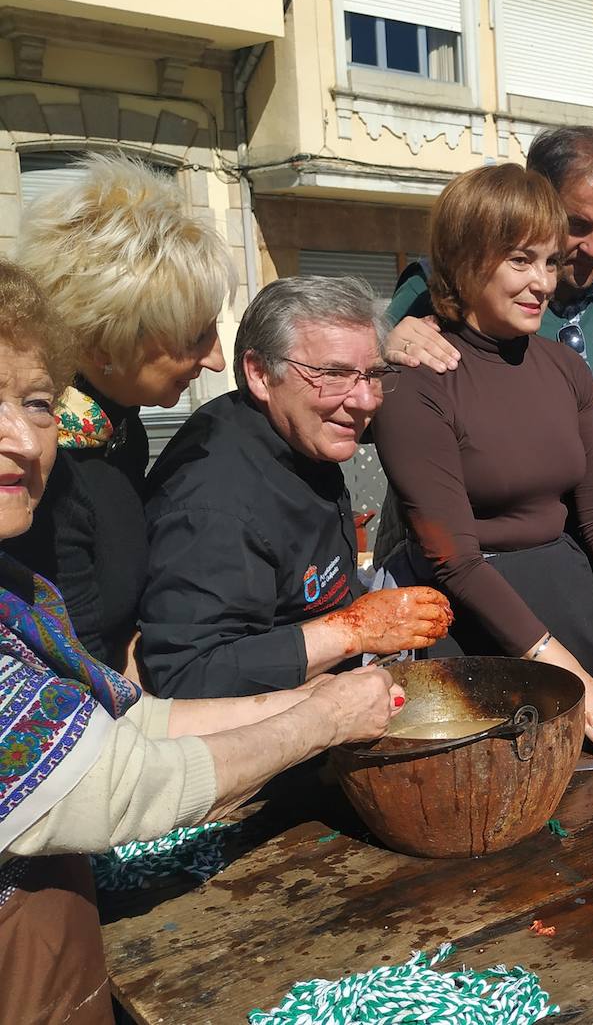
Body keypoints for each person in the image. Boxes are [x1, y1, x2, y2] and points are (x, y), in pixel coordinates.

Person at [0, 257, 407, 1024]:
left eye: (36, 403)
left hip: (58, 946)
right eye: (333, 374)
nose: (20, 438)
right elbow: (111, 779)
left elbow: (120, 711)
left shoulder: (19, 595)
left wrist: (316, 694)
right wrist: (321, 707)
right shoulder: (216, 491)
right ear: (263, 375)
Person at [372, 164, 593, 766]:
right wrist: (568, 679)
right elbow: (450, 558)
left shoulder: (565, 370)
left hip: (573, 619)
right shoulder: (416, 381)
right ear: (464, 261)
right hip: (475, 640)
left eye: (549, 261)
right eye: (519, 261)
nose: (543, 283)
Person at [139, 277, 453, 698]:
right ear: (260, 373)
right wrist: (354, 629)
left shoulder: (301, 431)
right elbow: (189, 674)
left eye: (373, 374)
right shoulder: (213, 505)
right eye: (333, 374)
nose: (364, 400)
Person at [1, 154, 232, 675]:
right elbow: (80, 670)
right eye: (195, 337)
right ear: (107, 339)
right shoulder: (41, 472)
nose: (216, 358)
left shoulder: (119, 430)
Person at [385, 125, 593, 402]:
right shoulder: (435, 285)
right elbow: (363, 411)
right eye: (577, 225)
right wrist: (386, 358)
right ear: (536, 201)